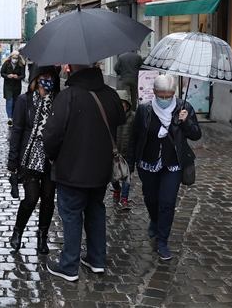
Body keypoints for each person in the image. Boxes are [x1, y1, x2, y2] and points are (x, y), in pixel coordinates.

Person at [42, 63, 125, 282]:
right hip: (101, 168)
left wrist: (51, 155)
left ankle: (69, 264)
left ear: (72, 68)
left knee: (71, 215)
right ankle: (97, 259)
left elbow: (51, 134)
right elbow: (121, 120)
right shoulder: (110, 94)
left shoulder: (68, 96)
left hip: (71, 169)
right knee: (96, 210)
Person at [127, 74, 200, 261]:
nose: (165, 99)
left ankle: (162, 240)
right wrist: (130, 163)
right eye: (161, 96)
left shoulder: (184, 108)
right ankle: (154, 219)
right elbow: (134, 137)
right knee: (151, 199)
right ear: (155, 93)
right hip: (148, 163)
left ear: (174, 93)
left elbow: (196, 135)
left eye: (169, 96)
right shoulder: (144, 109)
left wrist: (187, 122)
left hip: (173, 164)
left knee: (167, 202)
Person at [7, 64, 60, 254]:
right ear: (36, 79)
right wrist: (13, 161)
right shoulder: (24, 100)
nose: (48, 79)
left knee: (47, 198)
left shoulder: (58, 101)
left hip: (51, 157)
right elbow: (17, 131)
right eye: (44, 76)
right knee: (31, 197)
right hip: (29, 157)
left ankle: (42, 237)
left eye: (51, 76)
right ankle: (18, 231)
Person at [113, 90, 134, 209]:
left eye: (123, 104)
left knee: (127, 176)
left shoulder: (133, 117)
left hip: (128, 152)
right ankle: (117, 189)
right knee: (114, 175)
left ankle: (124, 198)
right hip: (114, 152)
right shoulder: (112, 117)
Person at [1, 51, 26, 126]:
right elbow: (2, 72)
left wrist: (17, 77)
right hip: (8, 86)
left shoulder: (21, 65)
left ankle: (14, 116)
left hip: (16, 86)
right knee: (9, 101)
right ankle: (10, 117)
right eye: (13, 58)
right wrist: (7, 76)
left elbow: (23, 75)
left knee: (15, 101)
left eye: (16, 58)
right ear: (11, 57)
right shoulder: (6, 63)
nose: (15, 59)